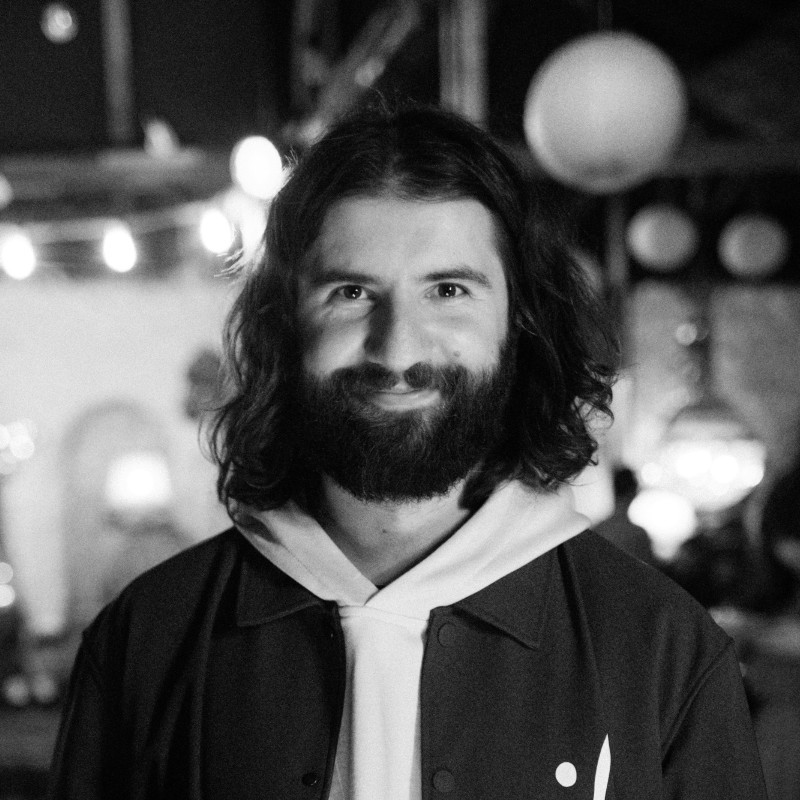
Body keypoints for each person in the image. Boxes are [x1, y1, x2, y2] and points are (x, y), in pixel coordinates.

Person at [48, 103, 766, 800]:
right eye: (352, 292)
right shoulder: (146, 640)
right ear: (284, 324)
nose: (398, 349)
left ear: (518, 323)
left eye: (449, 289)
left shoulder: (663, 650)